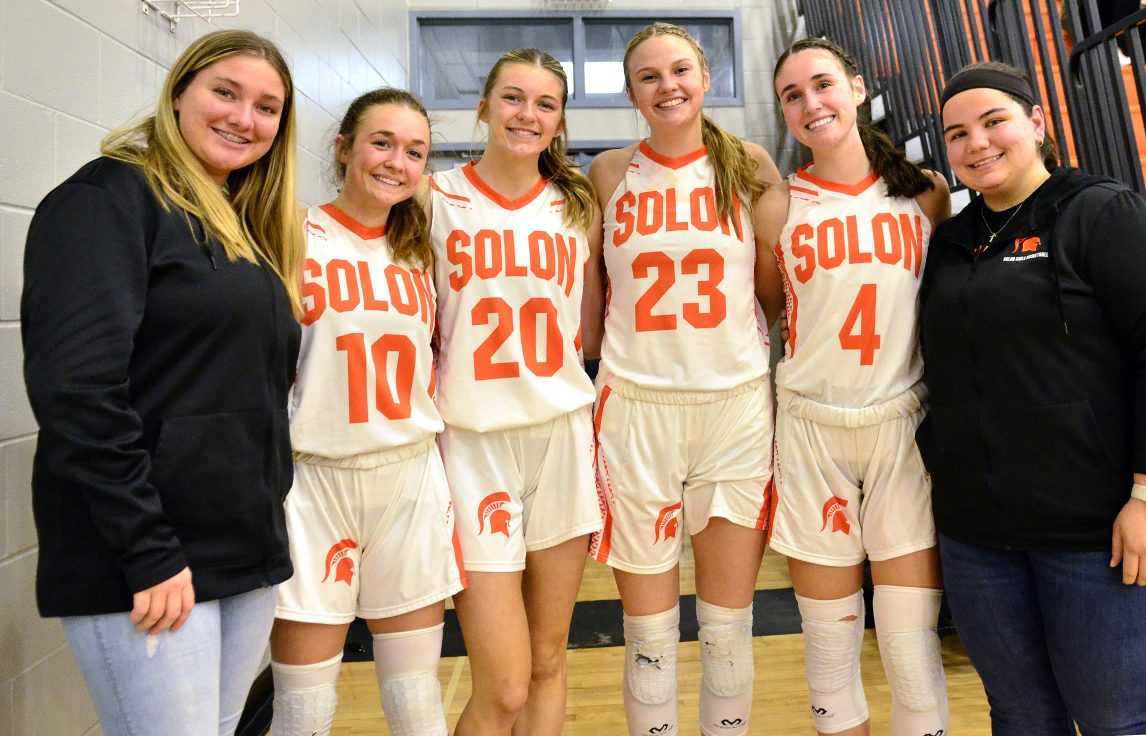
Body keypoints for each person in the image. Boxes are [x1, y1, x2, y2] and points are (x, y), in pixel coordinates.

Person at [20, 29, 303, 736]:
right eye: (226, 93)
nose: (245, 117)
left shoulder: (242, 227)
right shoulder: (106, 199)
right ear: (179, 94)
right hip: (149, 556)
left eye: (267, 107)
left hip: (241, 550)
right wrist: (146, 549)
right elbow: (76, 391)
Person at [921, 60, 1146, 734]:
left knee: (1117, 720)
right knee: (1020, 717)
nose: (977, 144)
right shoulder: (952, 242)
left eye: (994, 123)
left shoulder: (1104, 213)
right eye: (957, 134)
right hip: (980, 540)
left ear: (1037, 123)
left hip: (1102, 531)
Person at [584, 22, 782, 736]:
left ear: (704, 77)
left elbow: (771, 293)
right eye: (649, 76)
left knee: (728, 629)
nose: (667, 85)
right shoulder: (607, 173)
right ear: (632, 91)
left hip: (732, 407)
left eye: (679, 70)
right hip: (635, 408)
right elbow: (591, 303)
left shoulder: (750, 165)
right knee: (649, 635)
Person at [760, 38, 951, 736]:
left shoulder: (926, 194)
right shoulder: (778, 204)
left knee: (910, 652)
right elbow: (770, 314)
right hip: (811, 430)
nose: (811, 104)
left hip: (902, 425)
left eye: (822, 85)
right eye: (792, 96)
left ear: (859, 87)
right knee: (831, 654)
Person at [269, 88, 464, 736]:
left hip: (407, 477)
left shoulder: (423, 250)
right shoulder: (291, 232)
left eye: (415, 152)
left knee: (416, 705)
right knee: (303, 711)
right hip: (311, 482)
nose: (397, 162)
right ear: (344, 147)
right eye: (382, 143)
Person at [425, 48, 601, 736]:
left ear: (559, 122)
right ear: (484, 106)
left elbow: (586, 324)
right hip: (472, 444)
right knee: (503, 684)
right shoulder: (433, 195)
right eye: (513, 98)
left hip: (560, 435)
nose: (528, 114)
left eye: (545, 104)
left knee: (550, 660)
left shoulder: (577, 202)